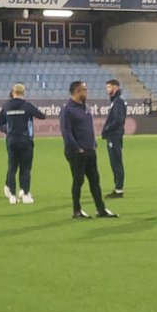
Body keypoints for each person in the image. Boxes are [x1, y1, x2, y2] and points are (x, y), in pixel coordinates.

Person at [60, 81, 118, 219]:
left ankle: (100, 209)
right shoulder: (67, 110)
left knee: (95, 181)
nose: (86, 92)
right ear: (76, 92)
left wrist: (93, 143)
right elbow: (66, 132)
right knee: (78, 180)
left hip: (89, 149)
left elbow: (87, 129)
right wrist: (77, 148)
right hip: (77, 152)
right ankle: (76, 210)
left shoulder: (85, 108)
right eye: (84, 90)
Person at [0, 83, 47, 204]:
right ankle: (25, 194)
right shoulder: (26, 105)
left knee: (12, 168)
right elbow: (42, 116)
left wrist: (8, 131)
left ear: (13, 92)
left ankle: (12, 196)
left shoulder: (6, 106)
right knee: (25, 169)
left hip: (12, 140)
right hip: (25, 140)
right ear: (23, 92)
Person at [102, 79, 127, 199]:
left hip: (114, 135)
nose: (107, 90)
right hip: (114, 135)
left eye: (109, 87)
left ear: (115, 87)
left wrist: (107, 129)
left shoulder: (118, 102)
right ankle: (118, 188)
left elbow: (118, 120)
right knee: (115, 161)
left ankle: (118, 189)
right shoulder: (115, 101)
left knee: (116, 161)